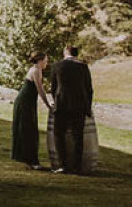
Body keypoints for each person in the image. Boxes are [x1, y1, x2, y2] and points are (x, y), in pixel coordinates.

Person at [50, 45, 94, 175]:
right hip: (79, 105)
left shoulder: (57, 66)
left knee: (59, 135)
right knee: (78, 136)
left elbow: (53, 88)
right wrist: (88, 107)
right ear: (76, 54)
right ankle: (77, 167)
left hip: (62, 105)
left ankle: (63, 165)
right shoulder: (83, 67)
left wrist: (56, 101)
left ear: (65, 53)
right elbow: (89, 89)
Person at [11, 51, 52, 169]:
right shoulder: (36, 71)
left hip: (28, 102)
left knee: (30, 129)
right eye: (45, 60)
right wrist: (48, 104)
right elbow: (40, 89)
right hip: (24, 102)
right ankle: (32, 161)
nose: (47, 63)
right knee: (28, 129)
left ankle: (30, 160)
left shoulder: (37, 70)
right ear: (40, 60)